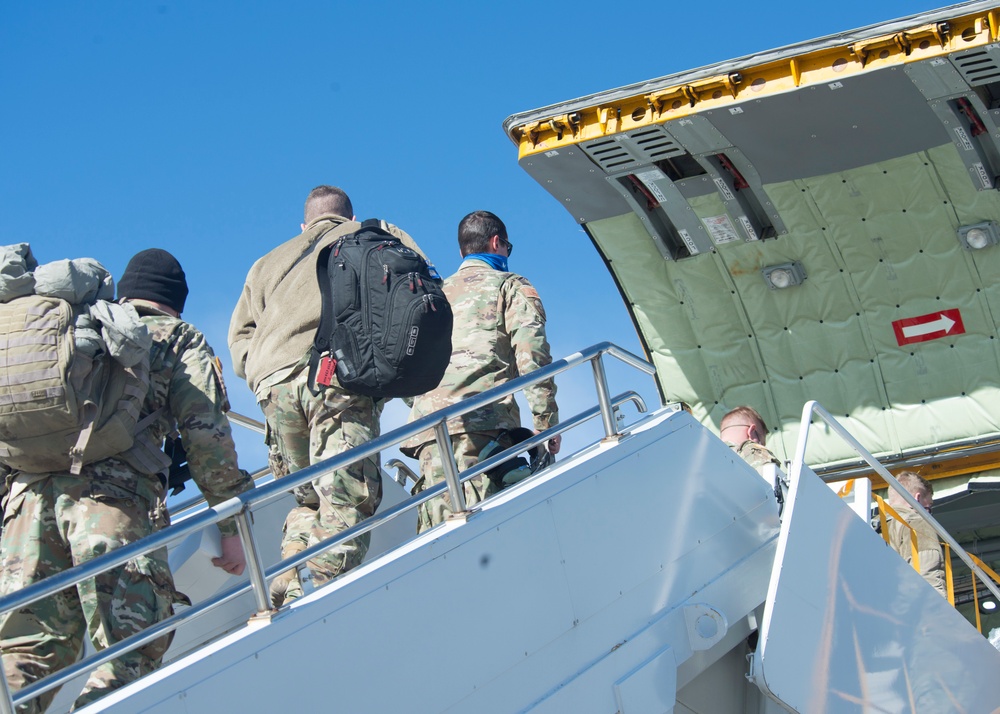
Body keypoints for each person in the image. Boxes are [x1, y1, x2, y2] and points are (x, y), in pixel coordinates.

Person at [0, 248, 254, 712]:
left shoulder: (80, 331)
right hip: (109, 505)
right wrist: (231, 527)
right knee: (132, 651)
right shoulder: (176, 338)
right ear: (175, 300)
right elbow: (207, 438)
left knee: (26, 657)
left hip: (27, 509)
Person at [229, 185, 428, 606]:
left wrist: (266, 372)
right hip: (335, 378)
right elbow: (421, 286)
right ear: (348, 215)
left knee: (307, 496)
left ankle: (287, 581)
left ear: (305, 224)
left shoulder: (266, 262)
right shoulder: (371, 234)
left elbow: (239, 337)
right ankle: (312, 595)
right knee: (348, 497)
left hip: (273, 388)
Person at [401, 210, 560, 532]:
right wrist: (545, 425)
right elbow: (533, 356)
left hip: (430, 435)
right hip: (484, 430)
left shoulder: (434, 295)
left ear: (462, 252)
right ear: (497, 242)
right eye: (507, 248)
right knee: (487, 535)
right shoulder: (509, 286)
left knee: (439, 542)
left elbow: (407, 368)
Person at [887, 470, 947, 597]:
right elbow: (927, 576)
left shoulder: (873, 526)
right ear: (917, 498)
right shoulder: (916, 523)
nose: (929, 513)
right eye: (929, 505)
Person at [720, 405, 781, 476]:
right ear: (752, 432)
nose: (761, 445)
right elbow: (771, 479)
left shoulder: (709, 455)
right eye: (761, 442)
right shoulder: (752, 450)